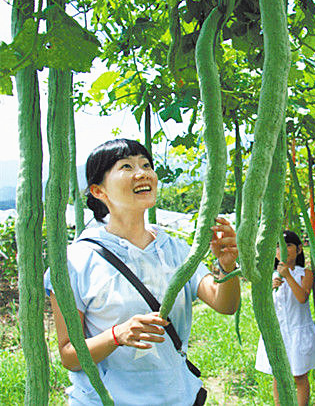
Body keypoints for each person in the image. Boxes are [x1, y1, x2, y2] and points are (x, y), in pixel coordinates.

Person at [44, 138, 240, 406]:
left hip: (177, 397)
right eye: (126, 166)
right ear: (98, 191)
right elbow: (69, 355)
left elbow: (225, 304)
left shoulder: (175, 248)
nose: (143, 172)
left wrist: (228, 267)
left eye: (146, 164)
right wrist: (118, 335)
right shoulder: (75, 261)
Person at [255, 230, 315, 406]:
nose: (282, 250)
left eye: (288, 245)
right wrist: (269, 288)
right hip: (279, 333)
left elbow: (302, 298)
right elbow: (261, 304)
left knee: (299, 377)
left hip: (298, 332)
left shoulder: (304, 273)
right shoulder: (269, 275)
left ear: (299, 249)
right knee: (279, 375)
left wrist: (287, 276)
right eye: (278, 246)